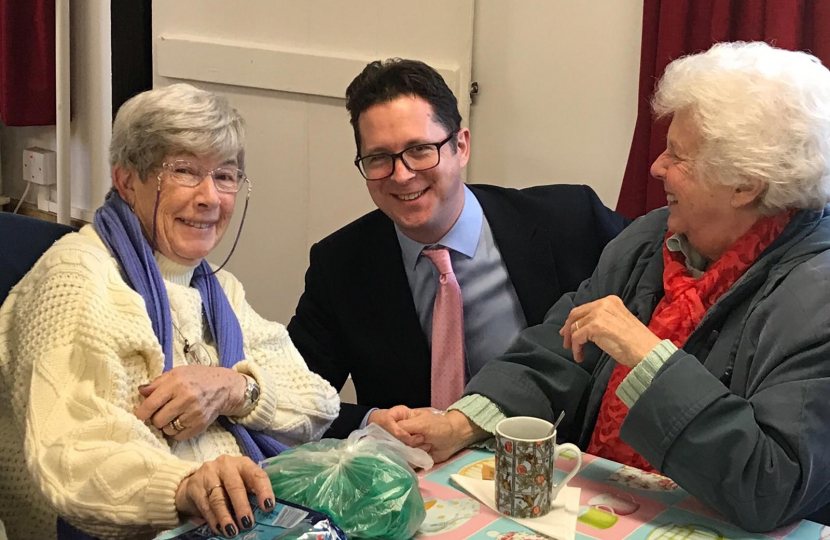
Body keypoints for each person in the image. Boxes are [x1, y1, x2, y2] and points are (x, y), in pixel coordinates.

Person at [396, 42, 830, 531]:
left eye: (678, 155)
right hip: (608, 513)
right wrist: (459, 424)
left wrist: (648, 358)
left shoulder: (817, 297)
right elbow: (556, 353)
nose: (657, 167)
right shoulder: (652, 238)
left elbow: (769, 485)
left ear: (745, 185)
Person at [0, 84, 340, 540]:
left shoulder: (215, 287)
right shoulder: (76, 281)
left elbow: (318, 405)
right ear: (126, 181)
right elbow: (73, 456)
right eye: (184, 172)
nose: (210, 198)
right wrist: (184, 485)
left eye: (225, 176)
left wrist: (236, 389)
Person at [287, 58, 629, 439]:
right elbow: (291, 398)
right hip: (414, 481)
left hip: (560, 473)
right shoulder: (340, 264)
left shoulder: (570, 222)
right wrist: (369, 423)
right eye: (379, 158)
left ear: (461, 146)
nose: (401, 175)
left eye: (419, 149)